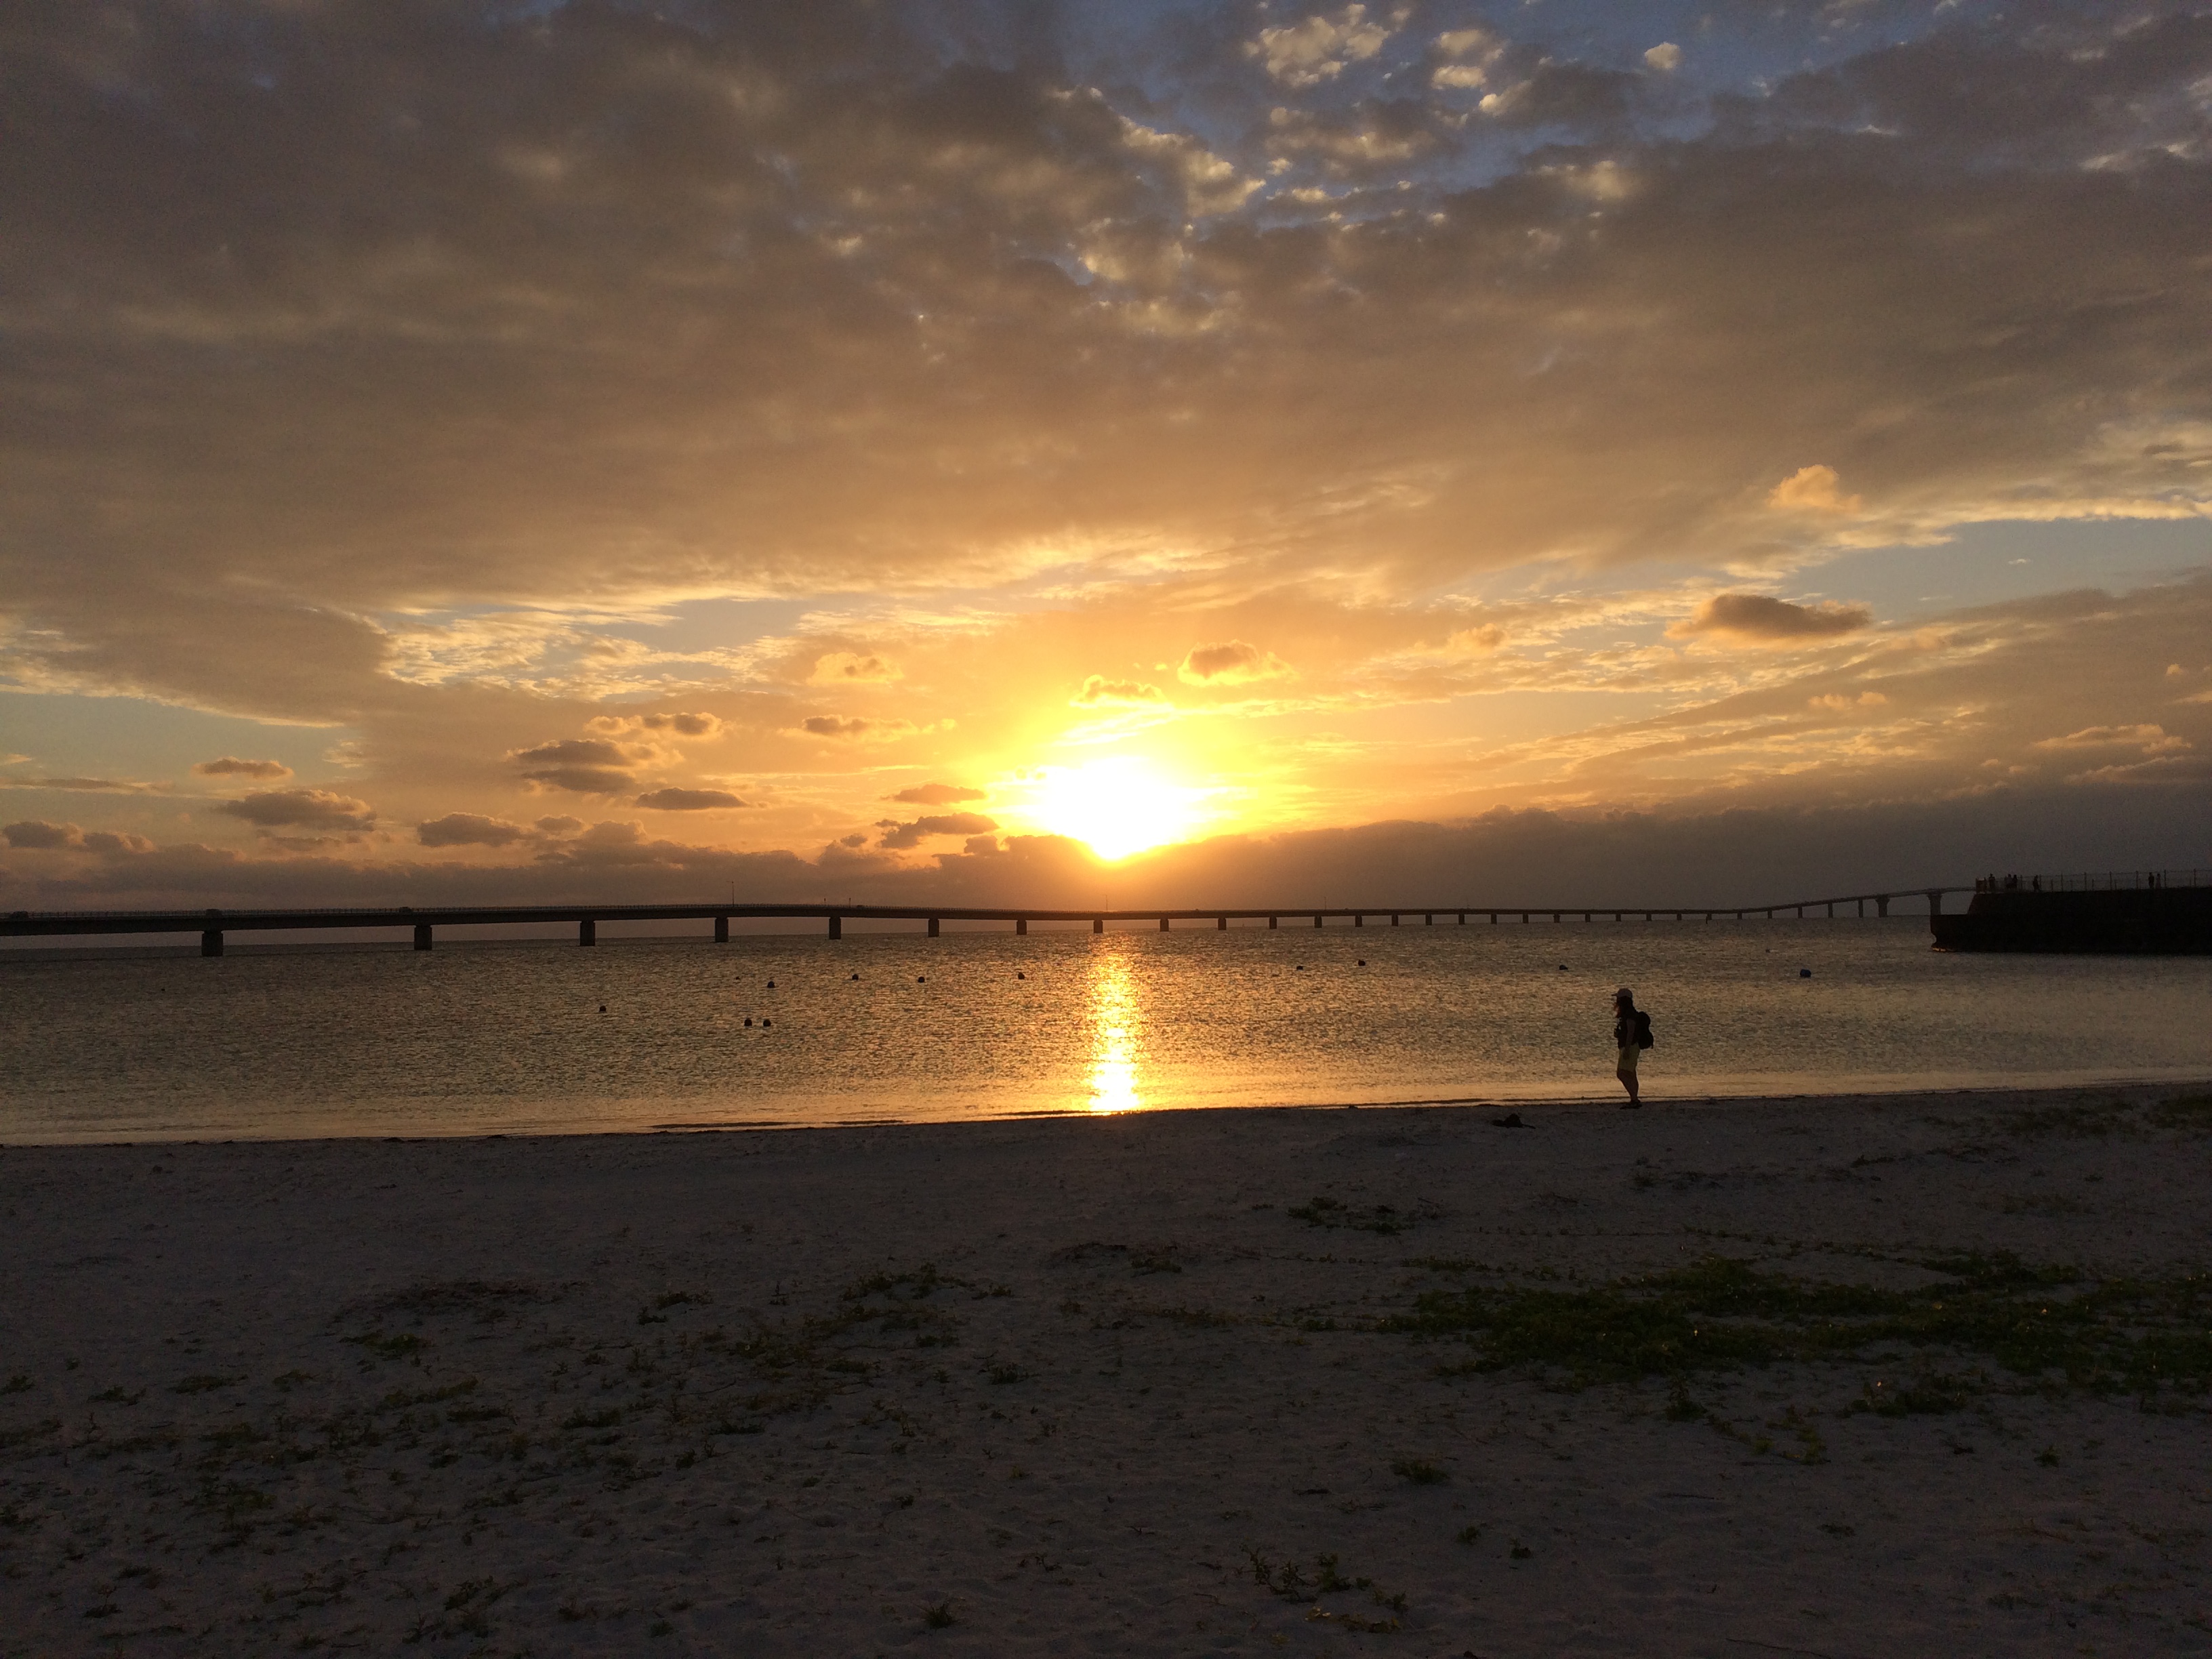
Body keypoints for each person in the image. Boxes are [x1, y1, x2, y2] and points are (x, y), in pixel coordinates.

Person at [1612, 987, 1650, 1108]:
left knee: (1622, 1073)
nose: (1616, 1001)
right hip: (1631, 1046)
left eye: (1618, 999)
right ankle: (1634, 1099)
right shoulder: (1629, 1014)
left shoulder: (1629, 1014)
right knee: (1631, 1073)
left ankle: (1634, 1099)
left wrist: (1627, 1049)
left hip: (1630, 1047)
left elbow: (1631, 1032)